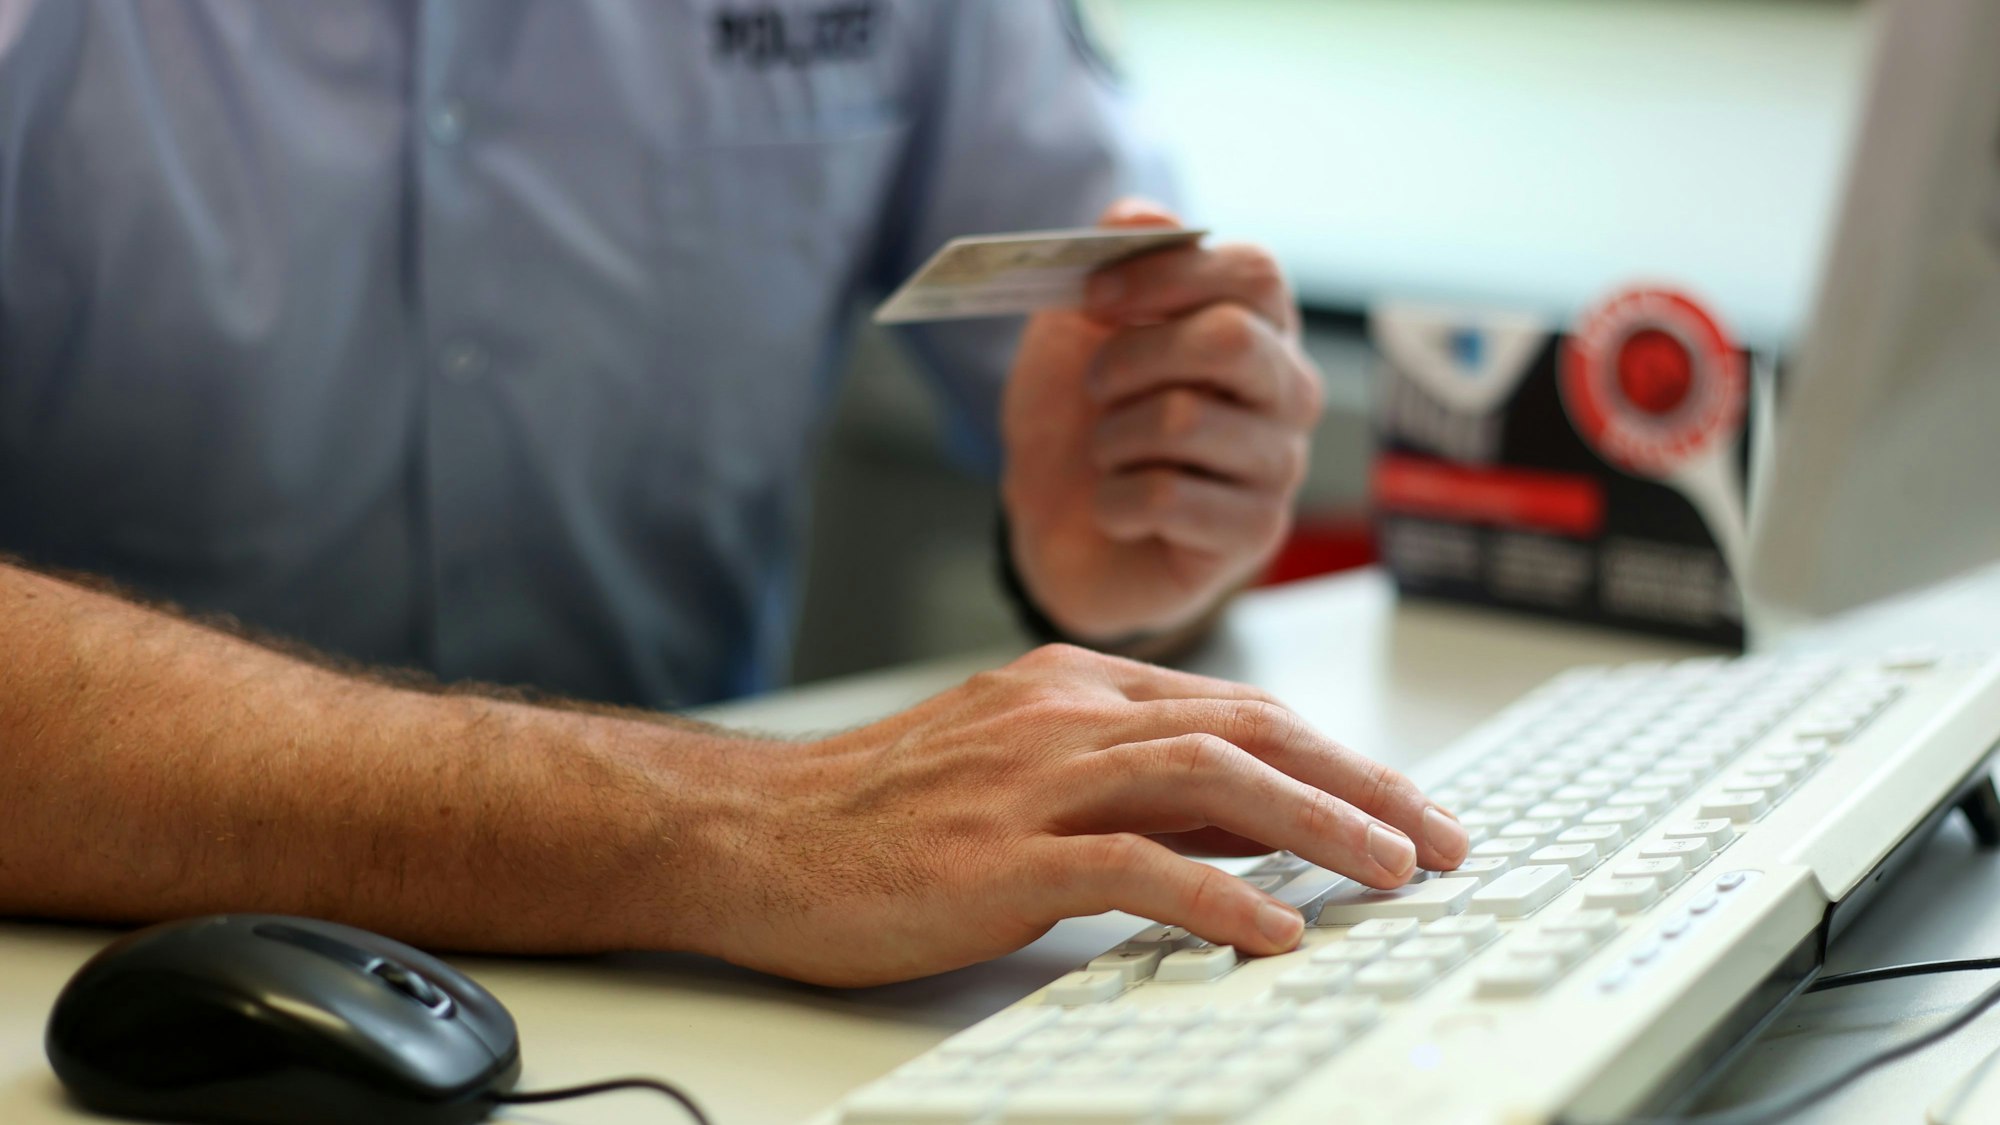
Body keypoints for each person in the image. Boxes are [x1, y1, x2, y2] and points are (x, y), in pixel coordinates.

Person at [0, 0, 1467, 986]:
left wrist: (1148, 517)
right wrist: (739, 824)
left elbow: (1124, 366)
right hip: (94, 966)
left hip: (710, 980)